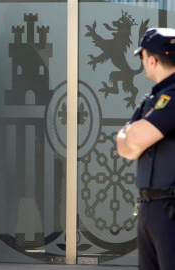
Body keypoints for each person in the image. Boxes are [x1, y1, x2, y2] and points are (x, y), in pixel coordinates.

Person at [117, 28, 175, 270]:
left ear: (152, 59)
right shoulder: (153, 98)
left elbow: (134, 138)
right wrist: (132, 137)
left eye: (142, 58)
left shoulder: (172, 96)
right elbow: (125, 149)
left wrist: (130, 134)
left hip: (170, 210)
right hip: (150, 207)